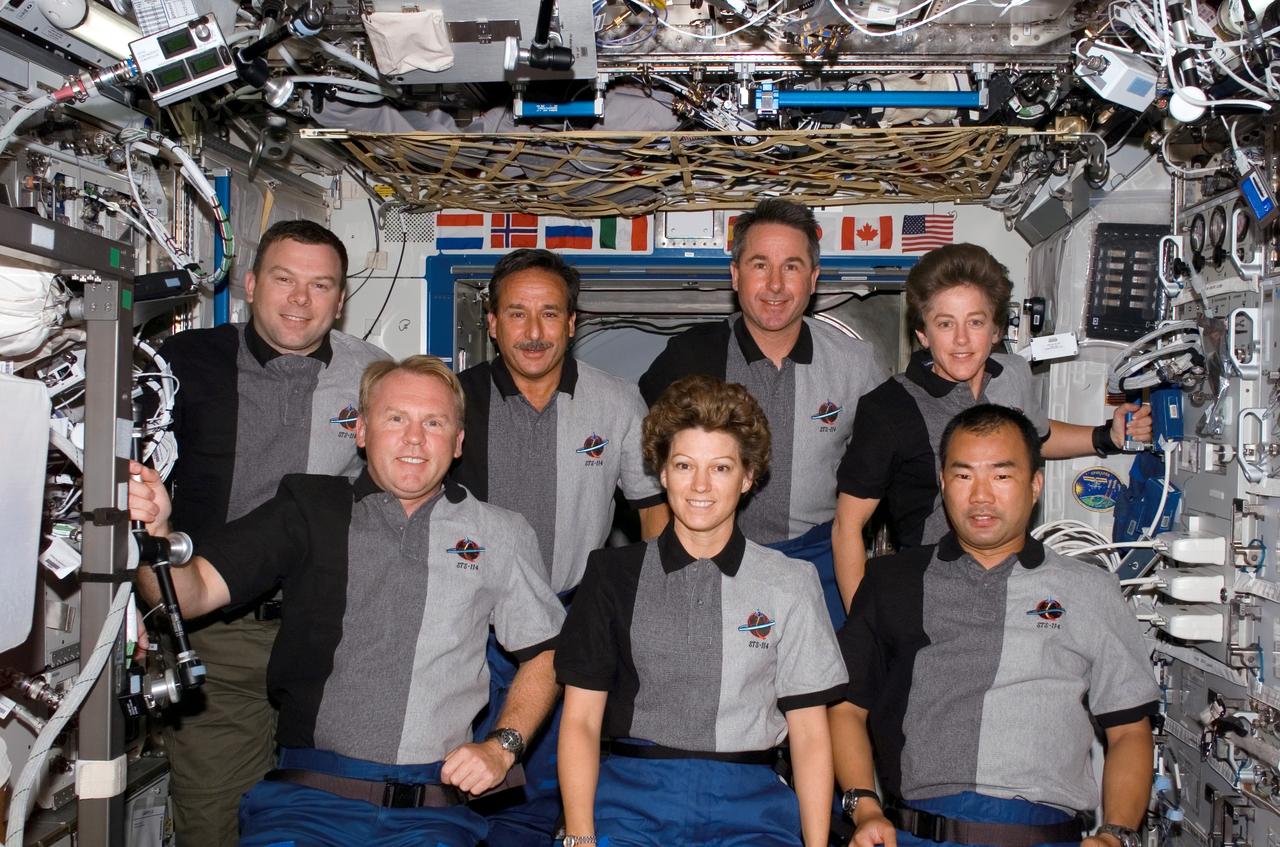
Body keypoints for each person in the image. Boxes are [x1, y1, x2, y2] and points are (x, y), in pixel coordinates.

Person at [128, 356, 565, 847]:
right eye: (395, 418)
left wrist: (502, 748)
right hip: (308, 803)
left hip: (435, 813)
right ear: (360, 431)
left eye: (435, 422)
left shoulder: (500, 533)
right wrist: (159, 535)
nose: (415, 438)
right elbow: (189, 595)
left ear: (459, 441)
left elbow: (545, 653)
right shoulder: (307, 508)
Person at [154, 219, 389, 846]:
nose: (300, 300)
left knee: (329, 814)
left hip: (333, 637)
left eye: (320, 286)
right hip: (220, 630)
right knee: (214, 814)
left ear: (340, 302)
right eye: (284, 280)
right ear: (252, 285)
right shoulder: (182, 367)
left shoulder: (375, 377)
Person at [831, 404, 1157, 847]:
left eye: (1001, 476)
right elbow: (847, 708)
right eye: (964, 476)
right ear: (943, 482)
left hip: (1046, 834)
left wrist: (1116, 835)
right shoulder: (892, 581)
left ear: (1034, 484)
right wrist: (864, 806)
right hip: (917, 832)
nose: (980, 496)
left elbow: (1129, 731)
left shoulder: (1090, 589)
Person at [556, 374, 847, 847]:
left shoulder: (790, 582)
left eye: (721, 468)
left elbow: (811, 735)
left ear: (748, 477)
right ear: (663, 472)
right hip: (632, 804)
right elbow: (582, 722)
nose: (701, 486)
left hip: (751, 808)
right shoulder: (612, 575)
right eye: (685, 465)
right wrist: (581, 839)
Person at [451, 248, 668, 844]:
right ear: (491, 322)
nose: (534, 331)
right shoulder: (452, 399)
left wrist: (646, 612)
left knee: (551, 783)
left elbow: (652, 511)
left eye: (550, 314)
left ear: (573, 323)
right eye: (516, 314)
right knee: (458, 776)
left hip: (570, 620)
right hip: (466, 622)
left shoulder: (617, 401)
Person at [833, 243, 1153, 606]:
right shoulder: (888, 409)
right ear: (923, 334)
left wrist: (1105, 435)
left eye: (975, 322)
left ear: (996, 330)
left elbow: (1035, 437)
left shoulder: (1013, 373)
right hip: (933, 588)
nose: (961, 341)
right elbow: (847, 527)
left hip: (1014, 581)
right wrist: (865, 628)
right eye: (945, 324)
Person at [639, 199, 885, 627]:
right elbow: (644, 469)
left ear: (813, 279)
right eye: (759, 265)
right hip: (710, 555)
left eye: (791, 267)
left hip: (818, 559)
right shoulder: (688, 356)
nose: (775, 285)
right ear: (735, 275)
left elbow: (888, 469)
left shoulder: (857, 365)